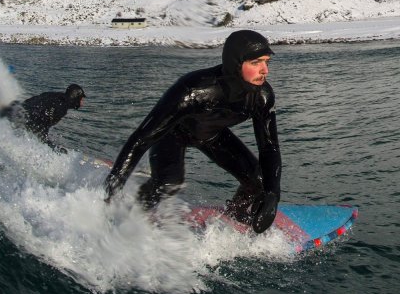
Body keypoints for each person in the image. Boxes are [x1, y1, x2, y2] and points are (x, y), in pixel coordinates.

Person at [103, 29, 281, 234]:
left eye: (267, 62)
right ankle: (134, 217)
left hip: (212, 135)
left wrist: (272, 194)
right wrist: (114, 185)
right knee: (169, 182)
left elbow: (269, 148)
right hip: (173, 134)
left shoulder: (262, 97)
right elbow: (142, 138)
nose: (265, 70)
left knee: (259, 180)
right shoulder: (194, 90)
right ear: (236, 63)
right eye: (256, 63)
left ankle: (236, 214)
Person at [3, 84, 86, 151]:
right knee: (57, 150)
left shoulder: (55, 95)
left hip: (16, 109)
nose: (82, 103)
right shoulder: (62, 107)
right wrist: (47, 144)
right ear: (76, 97)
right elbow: (42, 123)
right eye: (81, 99)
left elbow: (33, 100)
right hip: (25, 118)